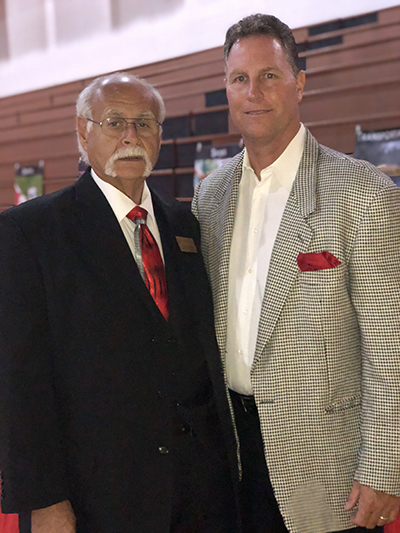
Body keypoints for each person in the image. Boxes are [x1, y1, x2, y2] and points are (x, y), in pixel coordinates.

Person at [0, 72, 239, 533]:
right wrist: (46, 502)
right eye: (114, 122)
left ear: (160, 136)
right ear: (82, 131)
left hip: (202, 491)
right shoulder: (30, 232)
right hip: (99, 495)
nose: (131, 136)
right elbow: (19, 381)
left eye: (144, 123)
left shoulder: (185, 223)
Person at [192, 13, 400, 533]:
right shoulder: (209, 197)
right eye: (240, 78)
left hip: (328, 465)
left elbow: (389, 343)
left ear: (299, 83)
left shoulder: (362, 192)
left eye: (269, 75)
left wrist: (383, 465)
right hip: (233, 454)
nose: (254, 92)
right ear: (226, 89)